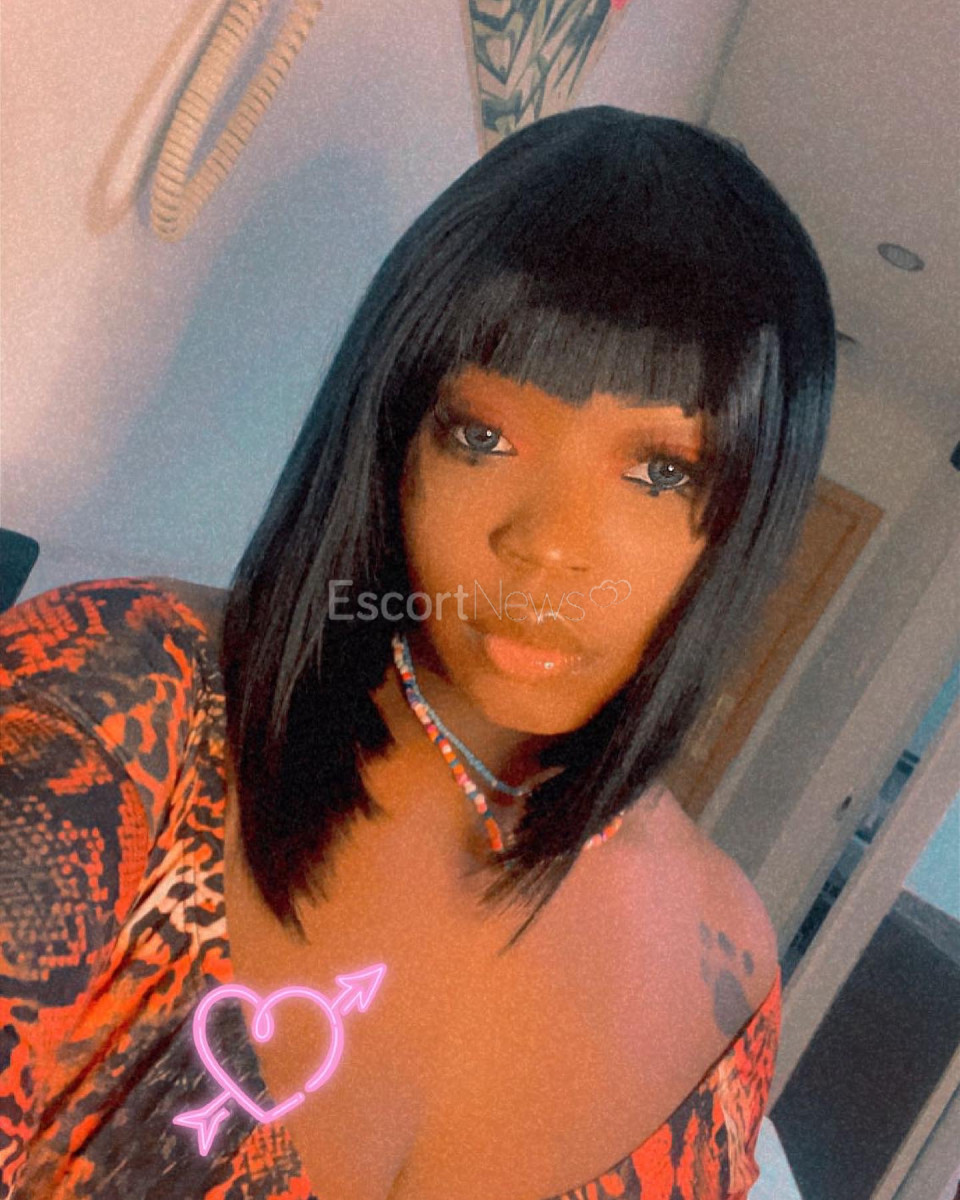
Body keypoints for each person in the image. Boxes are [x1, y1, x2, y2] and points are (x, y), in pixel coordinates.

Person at [0, 106, 833, 1199]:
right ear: (395, 438)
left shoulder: (731, 966)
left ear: (749, 510)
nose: (544, 544)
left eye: (660, 471)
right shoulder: (115, 703)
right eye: (482, 437)